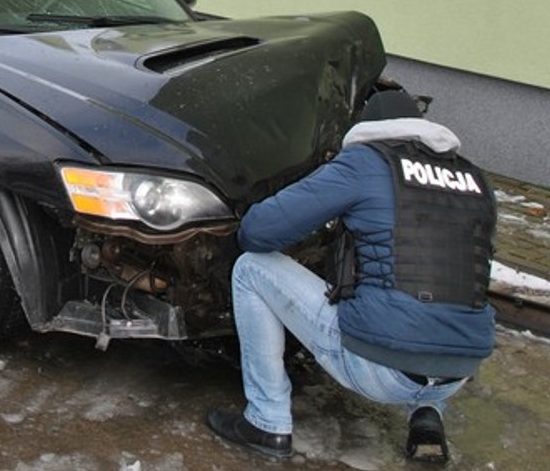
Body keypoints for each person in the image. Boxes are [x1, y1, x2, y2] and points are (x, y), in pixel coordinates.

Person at [206, 89, 497, 463]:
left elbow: (259, 231)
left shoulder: (365, 162)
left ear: (366, 129)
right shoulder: (477, 180)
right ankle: (427, 415)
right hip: (456, 375)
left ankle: (267, 420)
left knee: (251, 268)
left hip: (379, 371)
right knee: (434, 285)